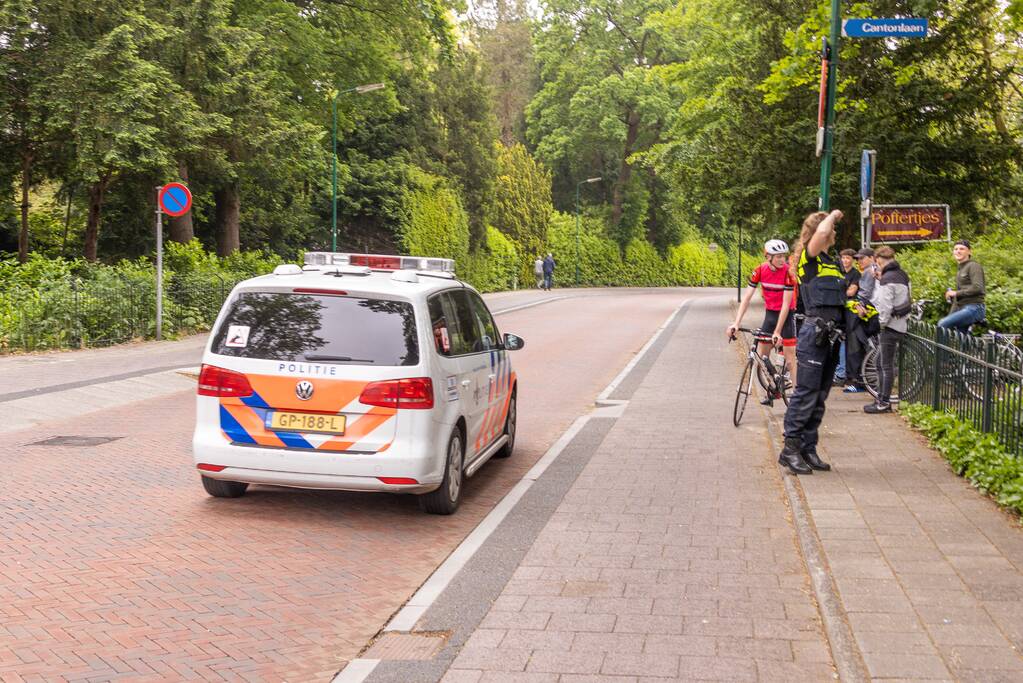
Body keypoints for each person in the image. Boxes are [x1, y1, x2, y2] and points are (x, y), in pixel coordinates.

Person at [779, 209, 846, 475]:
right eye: (831, 229)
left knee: (819, 396)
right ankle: (790, 450)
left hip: (832, 335)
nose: (834, 232)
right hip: (813, 333)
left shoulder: (833, 262)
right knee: (805, 393)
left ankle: (808, 448)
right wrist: (833, 215)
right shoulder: (811, 256)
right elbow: (820, 232)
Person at [726, 239, 798, 405]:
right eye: (778, 256)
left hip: (786, 316)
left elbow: (786, 305)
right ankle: (772, 387)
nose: (782, 260)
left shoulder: (788, 273)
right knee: (762, 356)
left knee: (790, 358)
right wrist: (736, 323)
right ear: (768, 257)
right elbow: (747, 298)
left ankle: (797, 394)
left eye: (783, 256)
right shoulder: (759, 270)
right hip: (770, 314)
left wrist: (778, 331)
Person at [865, 246, 911, 413]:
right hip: (900, 323)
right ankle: (881, 398)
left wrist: (881, 324)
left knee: (885, 365)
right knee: (881, 362)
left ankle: (883, 402)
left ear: (879, 261)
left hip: (890, 327)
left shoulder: (887, 278)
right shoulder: (902, 275)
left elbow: (884, 305)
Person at [937, 240, 986, 332]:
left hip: (975, 307)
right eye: (955, 249)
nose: (958, 251)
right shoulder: (960, 269)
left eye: (962, 249)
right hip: (962, 307)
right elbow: (958, 298)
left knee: (942, 324)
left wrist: (955, 293)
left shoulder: (973, 266)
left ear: (969, 251)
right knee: (961, 339)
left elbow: (978, 287)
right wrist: (951, 314)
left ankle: (939, 347)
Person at [833, 249, 859, 386]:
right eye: (843, 258)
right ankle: (837, 371)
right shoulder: (838, 272)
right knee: (836, 340)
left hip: (849, 312)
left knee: (844, 340)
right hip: (837, 310)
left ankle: (841, 373)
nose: (845, 261)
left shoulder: (855, 274)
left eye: (848, 258)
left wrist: (839, 292)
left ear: (853, 260)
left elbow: (851, 291)